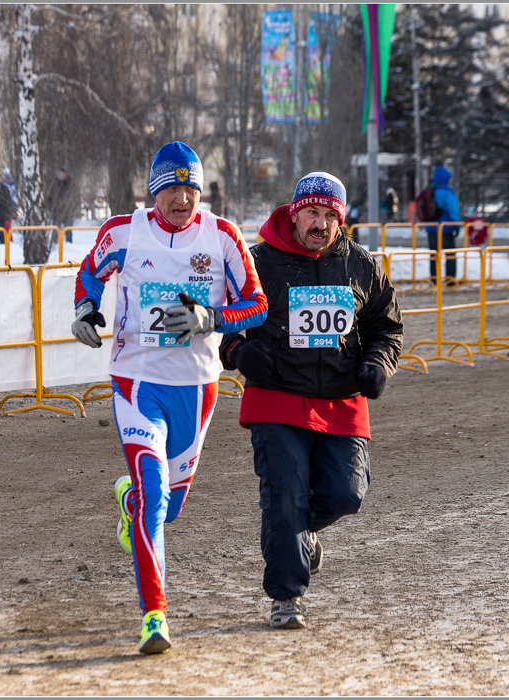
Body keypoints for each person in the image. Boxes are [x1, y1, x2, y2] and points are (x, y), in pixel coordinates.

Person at [71, 141, 268, 654]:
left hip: (198, 386)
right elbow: (90, 271)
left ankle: (128, 502)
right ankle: (154, 616)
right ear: (153, 191)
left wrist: (212, 319)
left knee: (166, 507)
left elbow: (259, 304)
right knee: (155, 495)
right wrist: (86, 309)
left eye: (191, 188)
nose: (183, 199)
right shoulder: (123, 232)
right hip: (136, 381)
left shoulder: (222, 235)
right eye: (172, 188)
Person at [219, 171, 404, 630]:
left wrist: (379, 363)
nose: (319, 224)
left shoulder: (361, 264)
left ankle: (301, 536)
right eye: (312, 213)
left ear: (340, 220)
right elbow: (224, 322)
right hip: (277, 397)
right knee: (284, 498)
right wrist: (240, 352)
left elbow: (386, 326)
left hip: (342, 400)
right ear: (294, 212)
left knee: (345, 495)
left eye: (329, 215)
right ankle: (286, 597)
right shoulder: (256, 261)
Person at [427, 165, 460, 286]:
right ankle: (450, 280)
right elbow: (453, 209)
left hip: (431, 228)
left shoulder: (431, 190)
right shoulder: (447, 191)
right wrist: (456, 225)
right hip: (446, 227)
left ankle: (434, 280)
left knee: (434, 255)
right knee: (450, 254)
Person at [47, 166, 80, 242]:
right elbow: (50, 197)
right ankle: (54, 244)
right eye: (60, 173)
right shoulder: (55, 184)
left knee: (68, 231)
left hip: (67, 212)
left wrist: (72, 209)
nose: (61, 175)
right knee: (55, 231)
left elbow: (76, 197)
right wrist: (52, 209)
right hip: (57, 212)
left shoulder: (70, 184)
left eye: (62, 174)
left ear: (65, 174)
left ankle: (69, 244)